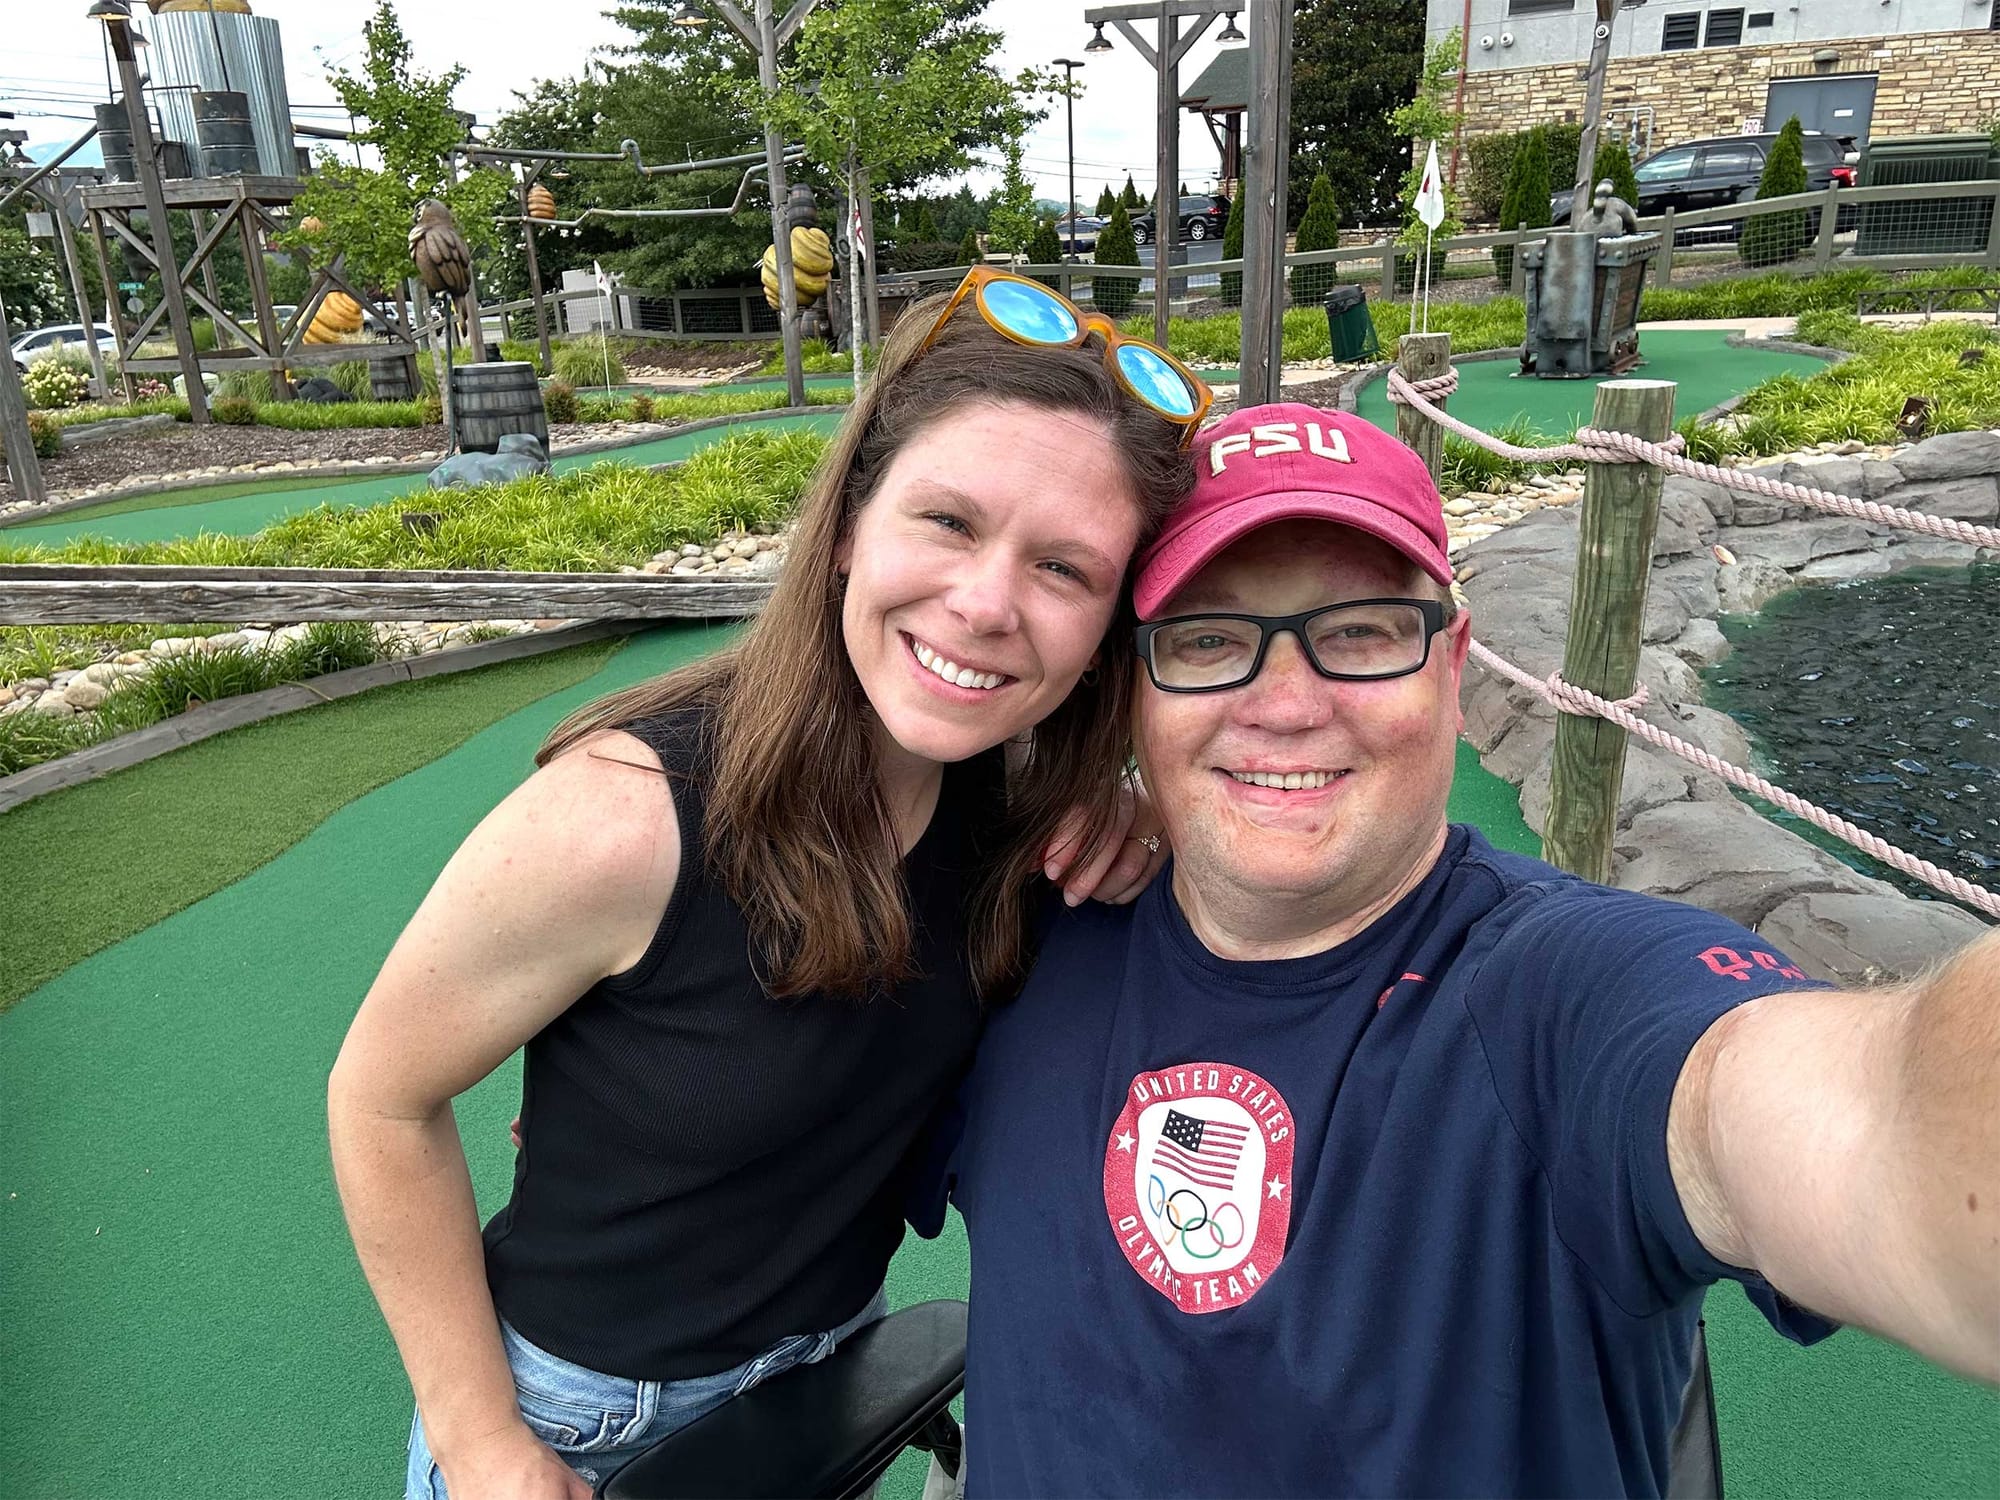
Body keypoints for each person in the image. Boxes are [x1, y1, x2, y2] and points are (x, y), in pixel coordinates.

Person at [929, 403, 1998, 1497]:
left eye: (1358, 631)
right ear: (1132, 687)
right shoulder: (1009, 936)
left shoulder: (1566, 994)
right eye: (1205, 638)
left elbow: (1864, 1120)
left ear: (1452, 656)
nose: (1286, 704)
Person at [327, 265, 1212, 1500]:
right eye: (948, 522)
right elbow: (377, 1101)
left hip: (826, 1375)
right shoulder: (625, 816)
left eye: (1065, 569)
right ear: (850, 522)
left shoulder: (1006, 818)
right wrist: (480, 1444)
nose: (985, 603)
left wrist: (1137, 811)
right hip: (584, 1421)